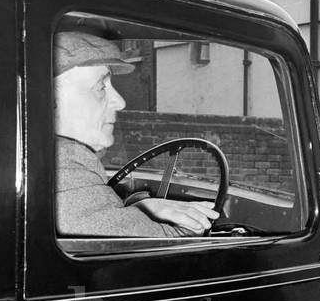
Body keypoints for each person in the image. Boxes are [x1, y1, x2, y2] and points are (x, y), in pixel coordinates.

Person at [54, 30, 219, 236]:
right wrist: (191, 228)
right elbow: (165, 253)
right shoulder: (63, 173)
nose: (120, 102)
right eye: (100, 87)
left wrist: (142, 207)